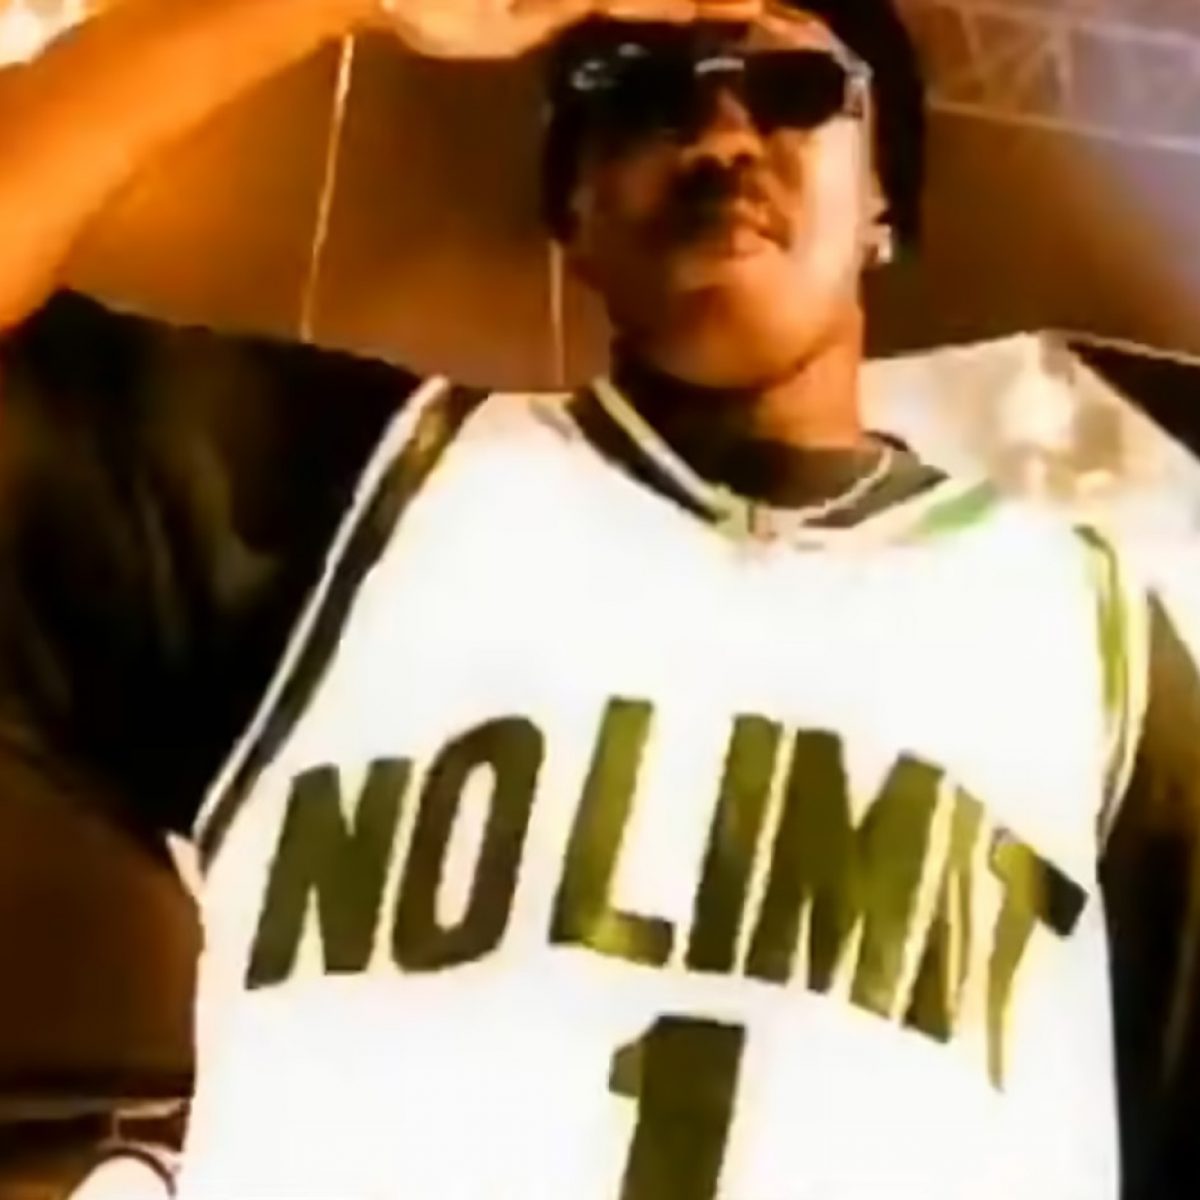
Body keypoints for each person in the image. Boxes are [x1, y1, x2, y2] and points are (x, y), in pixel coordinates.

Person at [0, 0, 1198, 1196]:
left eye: (792, 93)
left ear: (883, 197)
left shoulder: (1094, 651)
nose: (721, 137)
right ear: (570, 211)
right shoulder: (344, 497)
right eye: (643, 95)